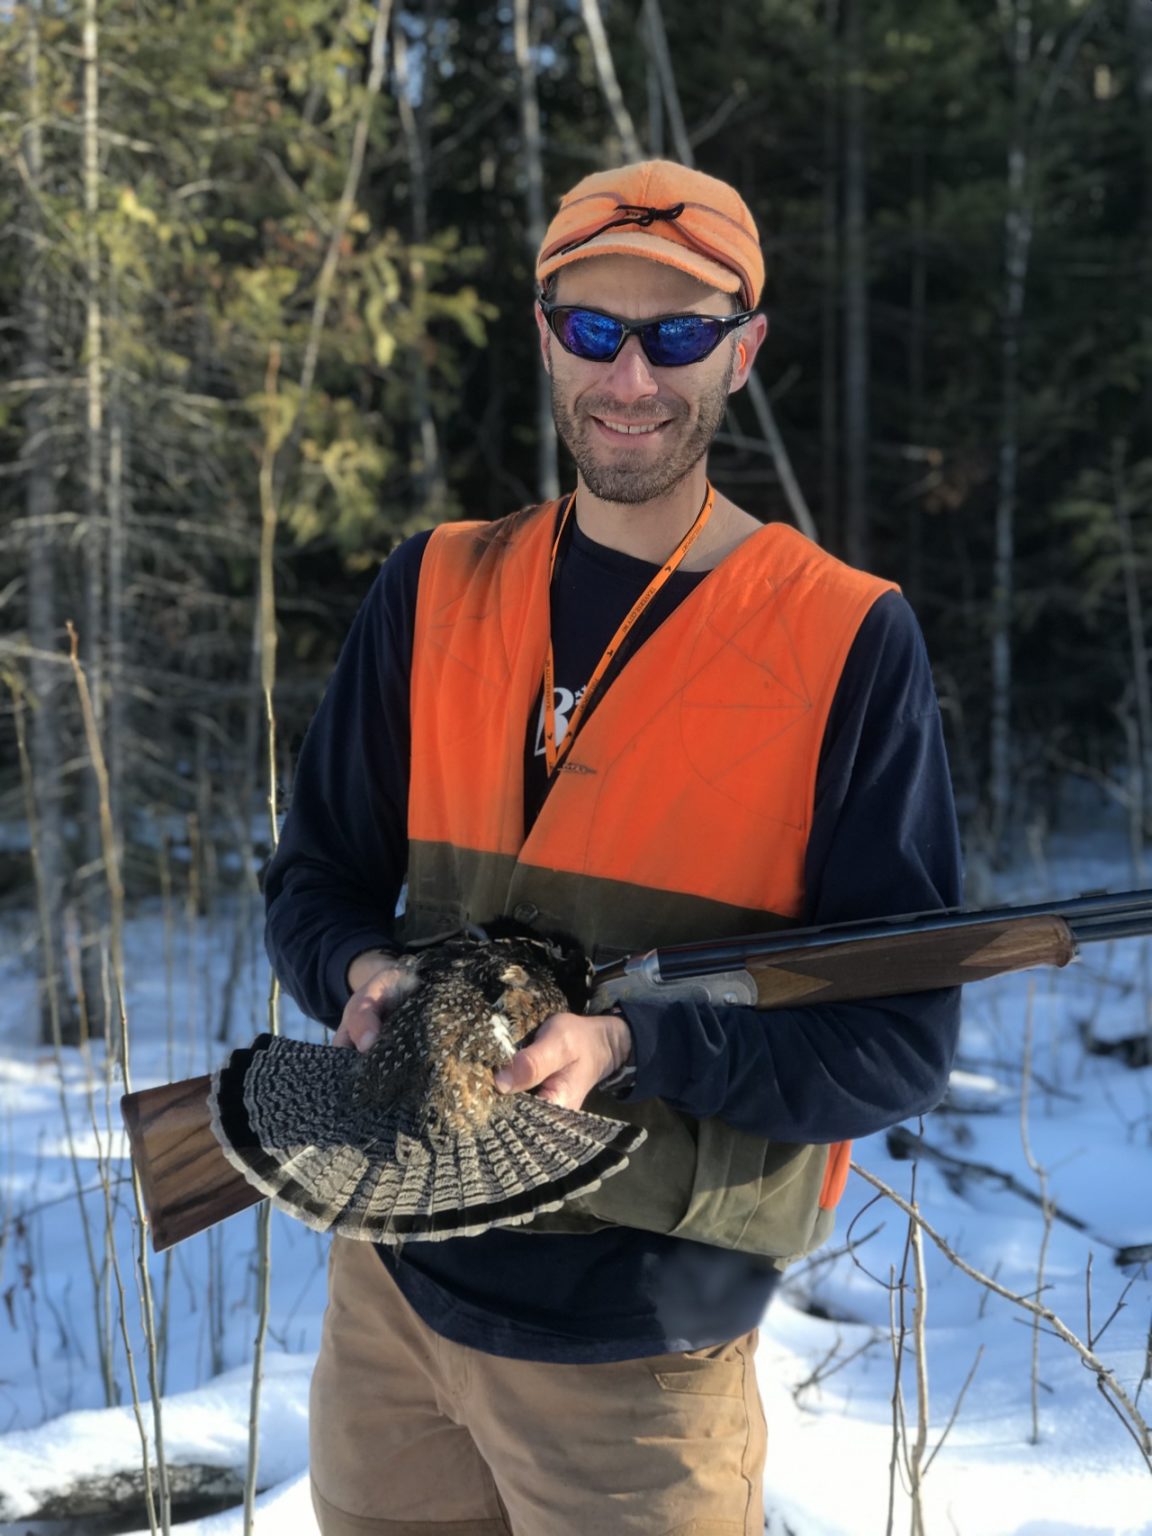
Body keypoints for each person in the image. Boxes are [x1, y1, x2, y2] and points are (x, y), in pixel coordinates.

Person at [264, 160, 963, 1536]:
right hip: (389, 1306)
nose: (631, 377)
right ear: (544, 333)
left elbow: (896, 1042)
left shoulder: (844, 639)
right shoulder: (434, 587)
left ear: (744, 353)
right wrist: (365, 974)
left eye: (679, 335)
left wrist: (634, 1042)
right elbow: (313, 884)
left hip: (641, 1354)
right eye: (594, 330)